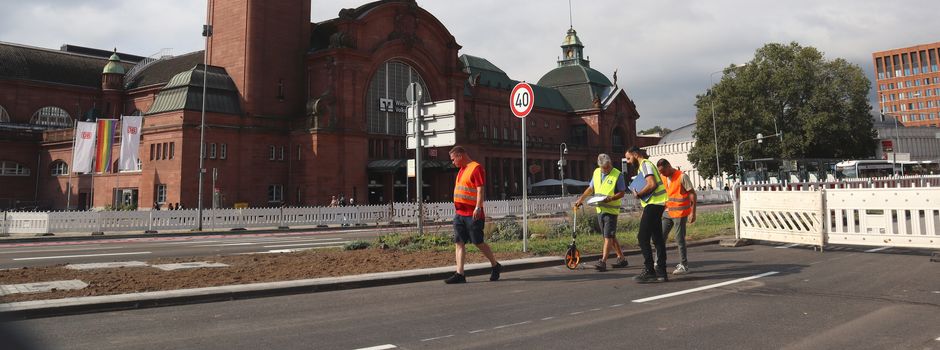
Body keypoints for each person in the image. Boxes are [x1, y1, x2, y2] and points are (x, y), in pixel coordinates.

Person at [444, 145, 501, 284]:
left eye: (453, 159)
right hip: (459, 214)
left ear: (460, 156)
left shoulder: (476, 168)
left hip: (473, 214)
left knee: (478, 242)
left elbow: (480, 189)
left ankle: (495, 265)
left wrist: (478, 207)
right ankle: (460, 274)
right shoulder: (461, 170)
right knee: (459, 242)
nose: (453, 162)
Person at [574, 153, 628, 272]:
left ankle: (603, 261)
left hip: (611, 210)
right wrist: (581, 199)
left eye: (608, 167)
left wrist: (611, 198)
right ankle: (622, 259)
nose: (606, 170)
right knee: (610, 236)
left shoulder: (617, 174)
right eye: (604, 168)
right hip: (600, 209)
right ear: (599, 166)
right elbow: (591, 188)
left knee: (607, 236)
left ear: (610, 163)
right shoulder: (596, 172)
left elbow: (622, 192)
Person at [625, 146, 668, 283]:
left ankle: (649, 270)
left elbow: (652, 184)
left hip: (654, 204)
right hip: (657, 204)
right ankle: (661, 272)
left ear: (635, 154)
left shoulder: (645, 164)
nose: (628, 162)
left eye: (628, 158)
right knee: (657, 238)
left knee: (642, 237)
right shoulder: (645, 166)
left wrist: (638, 194)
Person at [657, 159, 697, 275]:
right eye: (660, 172)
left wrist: (693, 212)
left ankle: (684, 265)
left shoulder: (682, 176)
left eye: (663, 171)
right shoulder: (663, 177)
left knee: (679, 239)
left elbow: (692, 194)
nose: (662, 174)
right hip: (667, 212)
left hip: (680, 213)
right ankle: (658, 262)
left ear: (669, 166)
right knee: (660, 238)